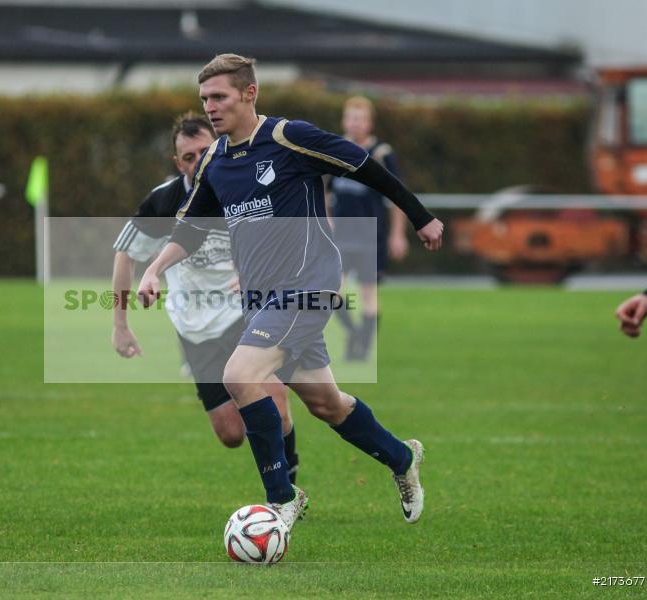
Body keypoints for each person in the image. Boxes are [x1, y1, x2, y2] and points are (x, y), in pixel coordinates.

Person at [138, 54, 443, 530]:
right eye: (204, 99)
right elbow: (191, 227)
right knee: (327, 404)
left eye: (219, 96)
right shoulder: (217, 159)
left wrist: (420, 217)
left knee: (239, 374)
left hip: (309, 287)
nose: (210, 107)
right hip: (263, 301)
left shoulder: (288, 138)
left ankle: (281, 498)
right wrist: (155, 269)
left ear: (249, 93)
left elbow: (366, 168)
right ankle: (402, 457)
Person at [111, 113, 299, 481]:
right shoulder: (164, 201)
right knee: (230, 434)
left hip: (245, 313)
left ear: (219, 146)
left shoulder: (245, 189)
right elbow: (125, 254)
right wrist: (120, 325)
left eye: (204, 151)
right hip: (194, 326)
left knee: (274, 400)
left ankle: (286, 490)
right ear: (176, 162)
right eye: (188, 157)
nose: (197, 162)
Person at [326, 96, 409, 360]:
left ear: (370, 123)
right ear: (343, 120)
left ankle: (362, 349)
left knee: (368, 294)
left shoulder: (382, 154)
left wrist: (398, 234)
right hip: (340, 236)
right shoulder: (335, 149)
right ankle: (353, 334)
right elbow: (323, 191)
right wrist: (326, 219)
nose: (355, 124)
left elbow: (398, 197)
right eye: (350, 118)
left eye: (360, 119)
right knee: (331, 292)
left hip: (370, 235)